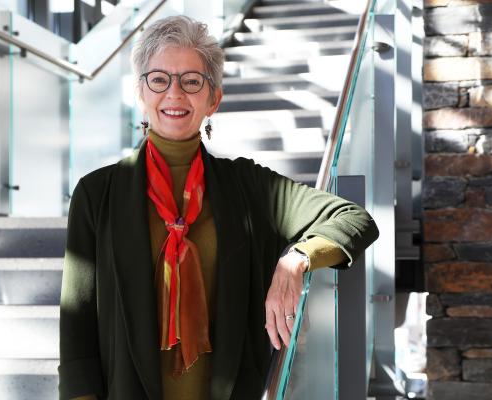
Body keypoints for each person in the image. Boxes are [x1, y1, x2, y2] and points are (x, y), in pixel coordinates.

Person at [58, 15, 379, 400]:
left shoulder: (247, 185)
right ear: (140, 93)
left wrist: (296, 259)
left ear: (214, 99)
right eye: (159, 79)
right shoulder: (97, 194)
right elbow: (77, 336)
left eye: (192, 81)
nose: (175, 94)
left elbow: (353, 218)